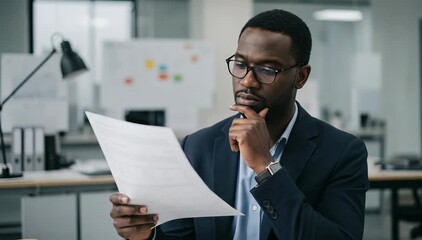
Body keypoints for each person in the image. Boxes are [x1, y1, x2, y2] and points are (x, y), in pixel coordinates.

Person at [109, 9, 369, 240]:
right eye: (241, 65)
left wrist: (265, 167)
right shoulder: (198, 146)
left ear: (301, 76)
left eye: (268, 70)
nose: (246, 81)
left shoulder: (343, 152)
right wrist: (145, 235)